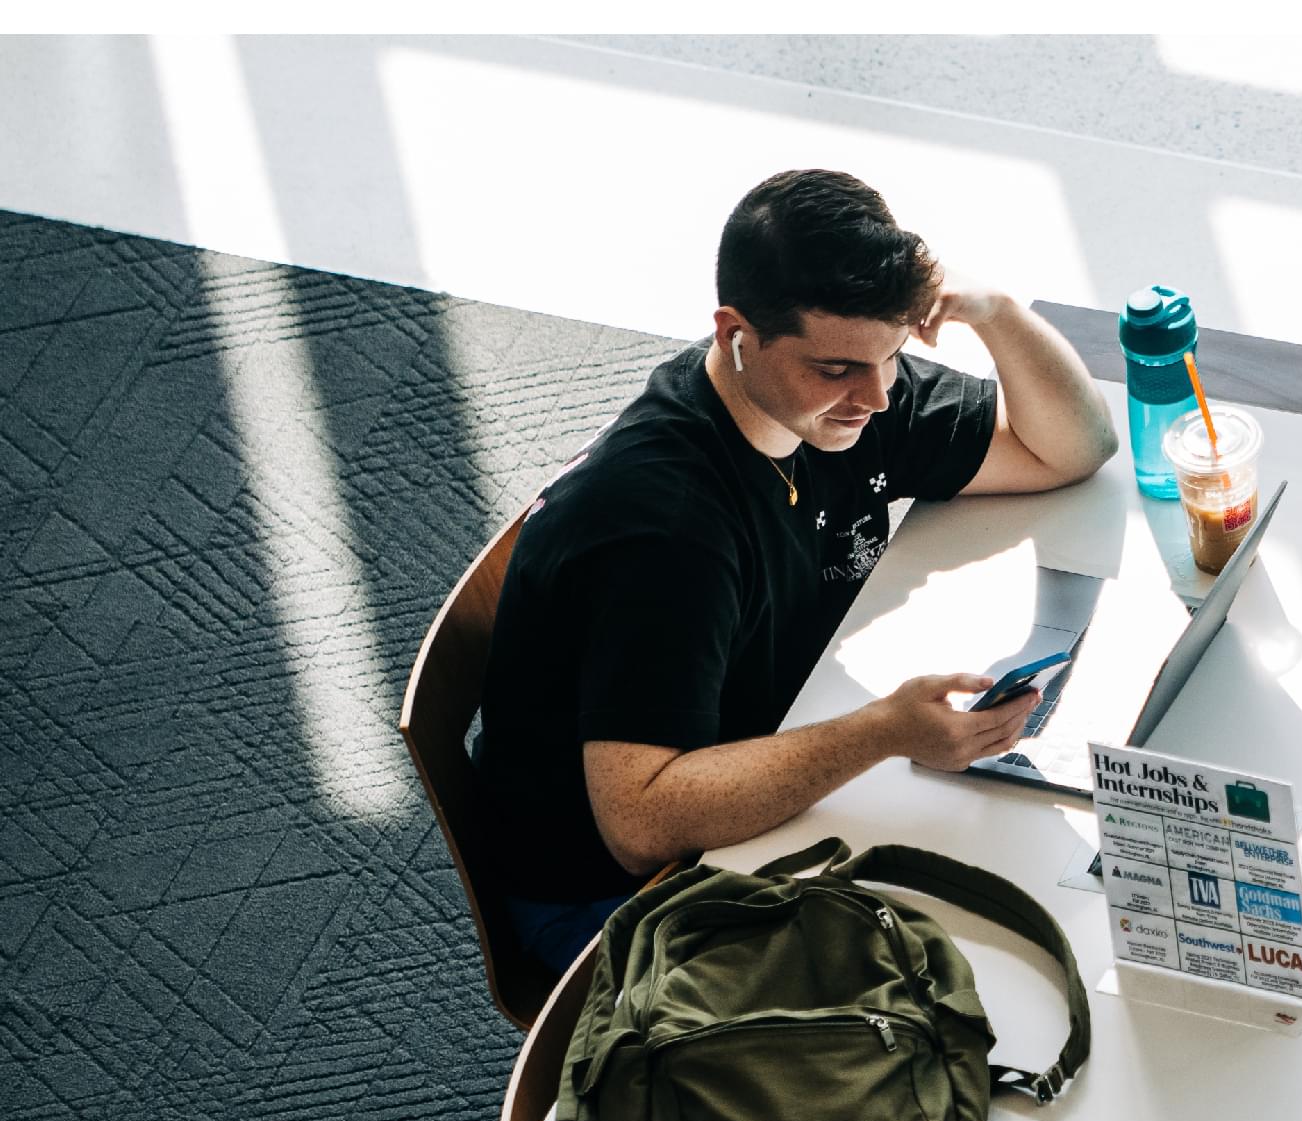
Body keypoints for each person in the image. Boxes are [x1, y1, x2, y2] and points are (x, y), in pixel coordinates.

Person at [468, 169, 1115, 971]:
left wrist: (996, 314)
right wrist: (881, 733)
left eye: (891, 355)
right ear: (737, 332)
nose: (877, 398)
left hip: (753, 760)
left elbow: (1073, 448)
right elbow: (638, 826)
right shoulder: (662, 534)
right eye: (839, 368)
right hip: (609, 904)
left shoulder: (828, 393)